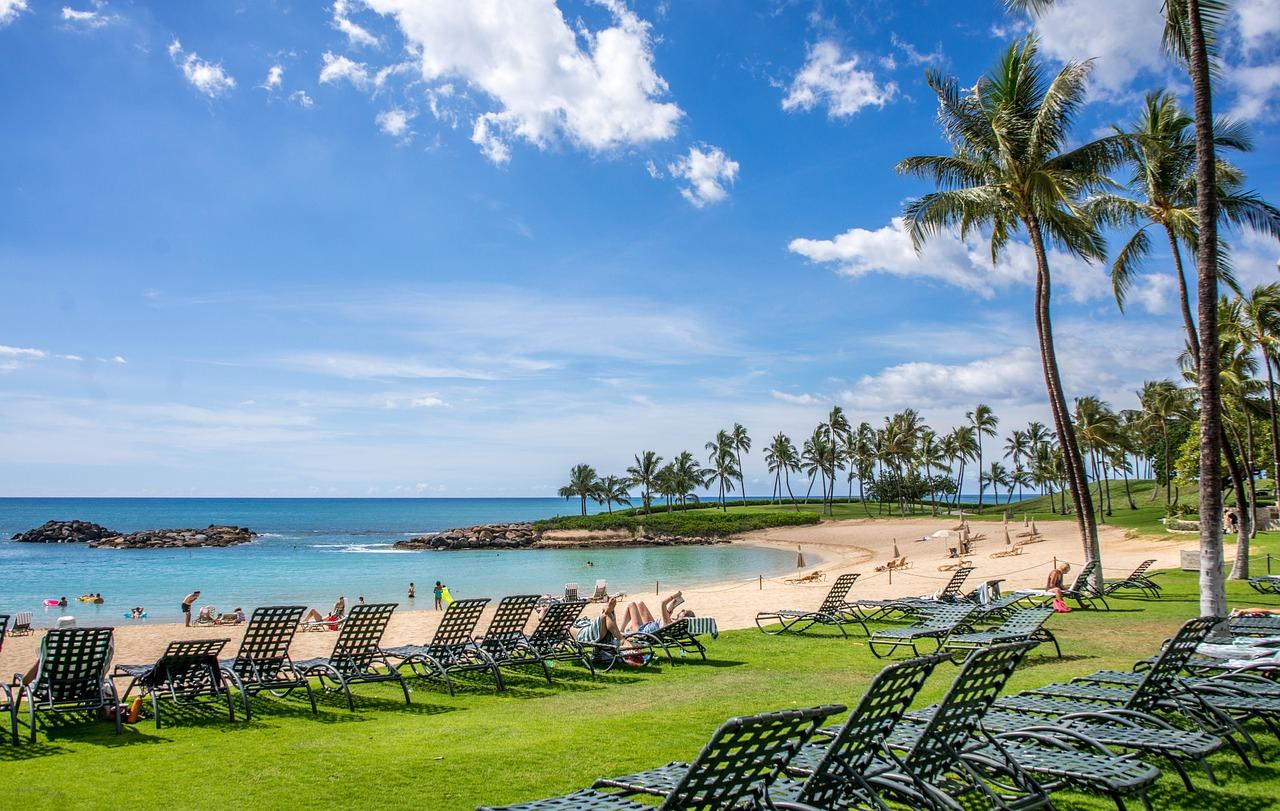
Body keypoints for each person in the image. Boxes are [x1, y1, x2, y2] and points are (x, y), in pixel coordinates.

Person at [621, 592, 693, 635]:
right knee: (640, 603)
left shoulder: (669, 623)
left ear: (683, 618)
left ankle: (621, 630)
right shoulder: (674, 624)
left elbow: (663, 603)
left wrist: (675, 595)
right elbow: (664, 621)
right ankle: (625, 629)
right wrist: (670, 609)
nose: (681, 611)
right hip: (651, 625)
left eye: (683, 612)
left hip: (641, 631)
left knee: (631, 604)